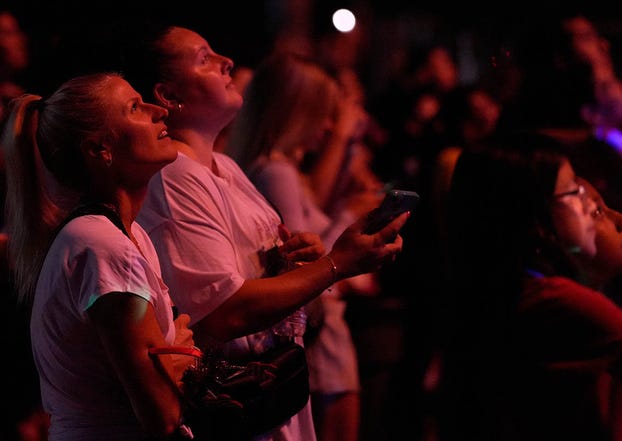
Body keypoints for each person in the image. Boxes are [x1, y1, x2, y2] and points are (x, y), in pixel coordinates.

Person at [116, 24, 407, 441]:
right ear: (168, 96)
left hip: (273, 389)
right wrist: (335, 265)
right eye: (205, 58)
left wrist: (293, 257)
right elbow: (222, 311)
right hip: (240, 405)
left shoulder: (226, 167)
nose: (226, 62)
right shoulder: (174, 177)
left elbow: (253, 270)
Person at [2, 72, 195, 441]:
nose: (159, 110)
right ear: (98, 150)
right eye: (135, 108)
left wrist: (171, 358)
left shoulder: (127, 234)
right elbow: (162, 413)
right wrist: (184, 350)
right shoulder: (102, 247)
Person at [438, 133, 622, 441]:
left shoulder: (514, 292)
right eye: (575, 193)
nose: (587, 206)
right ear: (535, 220)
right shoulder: (554, 299)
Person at [226, 52, 381, 441]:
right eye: (322, 115)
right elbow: (306, 262)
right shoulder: (275, 170)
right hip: (319, 334)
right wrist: (351, 217)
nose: (329, 127)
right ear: (297, 112)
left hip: (324, 327)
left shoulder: (275, 168)